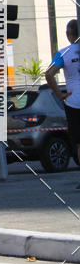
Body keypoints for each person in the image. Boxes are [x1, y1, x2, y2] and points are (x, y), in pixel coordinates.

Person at [46, 18, 80, 186]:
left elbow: (49, 74)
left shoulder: (64, 53)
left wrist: (60, 95)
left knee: (79, 142)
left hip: (74, 101)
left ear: (68, 35)